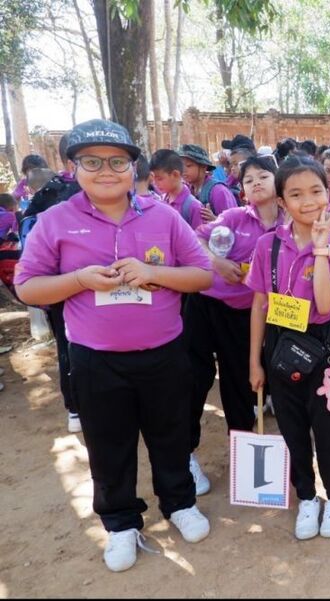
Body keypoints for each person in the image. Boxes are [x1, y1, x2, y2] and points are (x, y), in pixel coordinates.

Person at [14, 119, 215, 573]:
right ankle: (121, 522)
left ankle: (180, 503)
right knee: (108, 445)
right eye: (92, 161)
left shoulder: (162, 216)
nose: (106, 171)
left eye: (117, 161)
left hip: (164, 354)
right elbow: (27, 286)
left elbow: (202, 275)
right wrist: (79, 280)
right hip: (95, 360)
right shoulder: (56, 220)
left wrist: (154, 272)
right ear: (73, 168)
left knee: (171, 435)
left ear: (132, 168)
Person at [247, 157, 330, 540]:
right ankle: (307, 495)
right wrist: (254, 362)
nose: (308, 201)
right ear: (281, 201)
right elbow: (259, 304)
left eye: (316, 191)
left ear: (328, 194)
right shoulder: (267, 245)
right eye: (295, 194)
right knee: (291, 424)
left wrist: (321, 250)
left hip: (324, 347)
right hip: (280, 342)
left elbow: (325, 304)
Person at [184, 155, 286, 495]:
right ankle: (186, 454)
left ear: (278, 182)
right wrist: (217, 262)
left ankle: (242, 451)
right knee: (193, 380)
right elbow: (195, 240)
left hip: (248, 316)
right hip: (205, 306)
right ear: (242, 190)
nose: (255, 183)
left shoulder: (287, 226)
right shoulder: (232, 218)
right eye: (248, 180)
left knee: (240, 385)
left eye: (262, 176)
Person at [20, 134, 82, 433]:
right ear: (71, 161)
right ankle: (78, 407)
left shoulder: (45, 194)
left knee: (67, 345)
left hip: (59, 289)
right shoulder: (67, 195)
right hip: (75, 289)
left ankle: (75, 408)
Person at [177, 144, 239, 220]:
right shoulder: (187, 190)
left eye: (189, 165)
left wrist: (215, 220)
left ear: (204, 167)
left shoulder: (219, 191)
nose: (183, 170)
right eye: (180, 166)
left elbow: (234, 221)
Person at [149, 149, 203, 229]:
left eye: (159, 179)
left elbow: (199, 236)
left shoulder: (194, 207)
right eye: (153, 179)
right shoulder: (161, 200)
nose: (155, 183)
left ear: (175, 174)